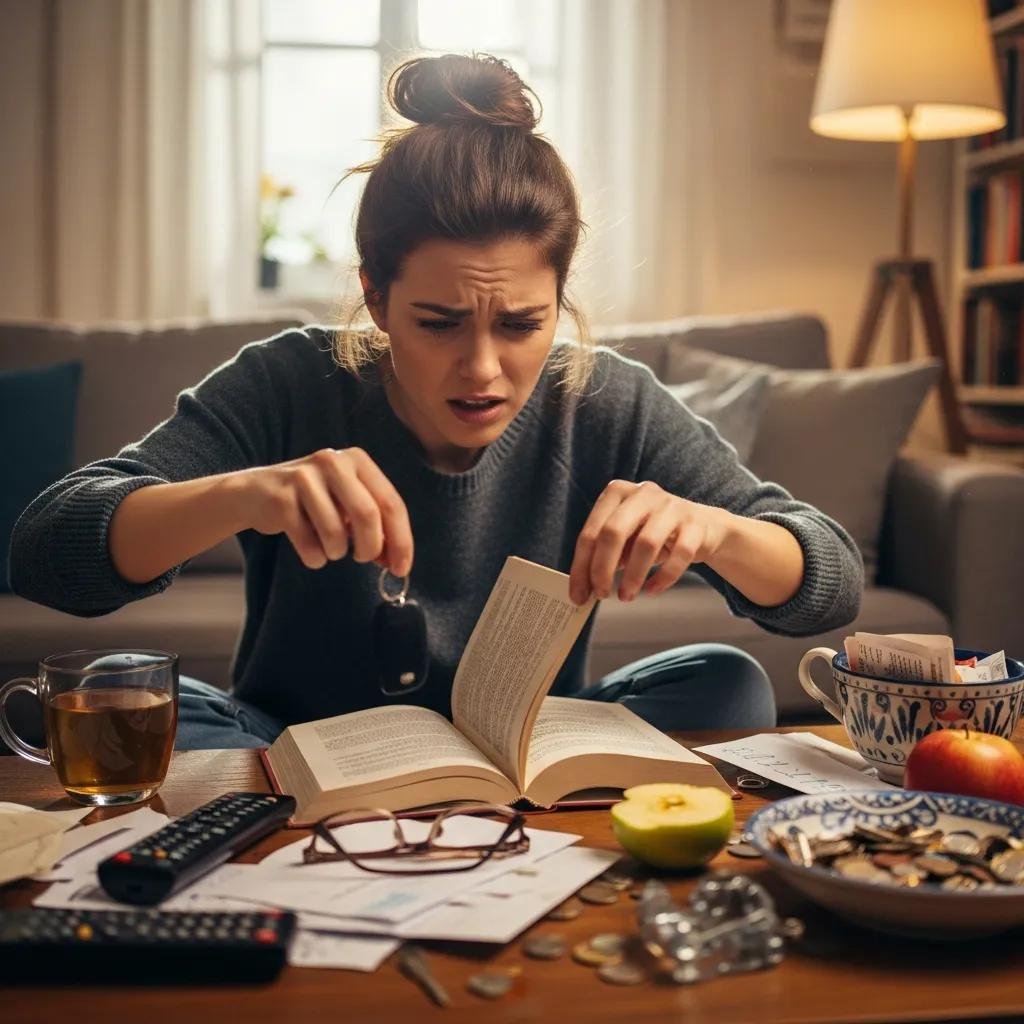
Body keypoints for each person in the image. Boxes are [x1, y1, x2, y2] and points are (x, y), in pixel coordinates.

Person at [9, 54, 863, 750]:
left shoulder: (604, 399)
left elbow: (830, 586)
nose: (483, 369)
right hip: (291, 742)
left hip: (529, 743)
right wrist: (250, 492)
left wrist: (717, 530)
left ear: (559, 301)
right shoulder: (289, 381)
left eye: (523, 323)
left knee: (728, 681)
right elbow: (45, 551)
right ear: (378, 301)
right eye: (440, 322)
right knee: (138, 703)